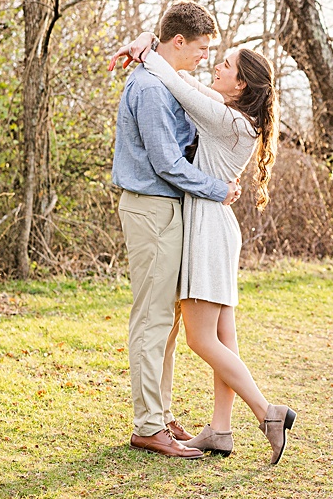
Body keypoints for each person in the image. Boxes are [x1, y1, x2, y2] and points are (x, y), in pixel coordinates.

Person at [112, 29, 297, 466]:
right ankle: (220, 429)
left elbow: (177, 83)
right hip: (217, 227)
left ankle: (267, 411)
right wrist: (149, 40)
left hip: (207, 230)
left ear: (241, 85)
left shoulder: (227, 119)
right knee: (224, 338)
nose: (215, 65)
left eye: (227, 64)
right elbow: (186, 82)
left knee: (200, 339)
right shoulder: (232, 115)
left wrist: (148, 50)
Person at [110, 1, 242, 459]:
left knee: (164, 323)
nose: (206, 56)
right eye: (202, 48)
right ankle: (148, 425)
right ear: (179, 41)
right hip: (151, 209)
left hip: (167, 210)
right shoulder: (148, 87)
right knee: (152, 319)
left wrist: (145, 41)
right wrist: (217, 189)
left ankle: (160, 414)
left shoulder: (164, 79)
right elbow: (165, 162)